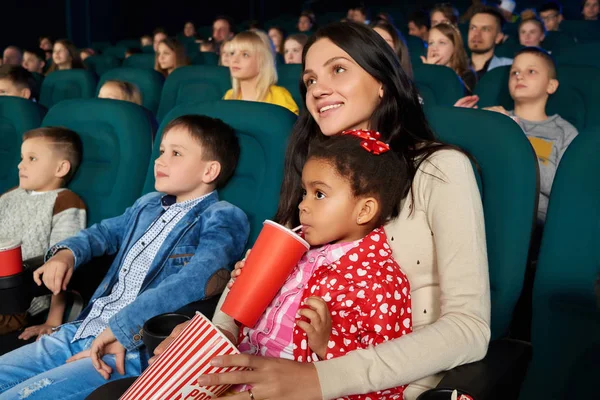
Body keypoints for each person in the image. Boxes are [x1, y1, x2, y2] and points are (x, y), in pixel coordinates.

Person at [156, 21, 489, 400]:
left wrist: (319, 378)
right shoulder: (312, 169)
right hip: (268, 369)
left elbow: (469, 328)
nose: (318, 89)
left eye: (339, 69)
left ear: (382, 81)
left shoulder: (440, 168)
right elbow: (252, 292)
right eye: (310, 79)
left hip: (380, 387)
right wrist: (212, 345)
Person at [0, 114, 250, 399]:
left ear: (209, 171)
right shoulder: (147, 205)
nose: (160, 160)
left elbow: (198, 279)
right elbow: (103, 233)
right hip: (81, 329)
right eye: (161, 151)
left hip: (129, 350)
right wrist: (66, 253)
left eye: (176, 153)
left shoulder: (222, 216)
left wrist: (123, 329)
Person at [225, 131, 412, 399]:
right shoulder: (298, 251)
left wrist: (327, 343)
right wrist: (246, 282)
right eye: (304, 192)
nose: (302, 205)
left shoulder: (382, 281)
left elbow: (386, 379)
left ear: (364, 210)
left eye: (319, 194)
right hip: (248, 366)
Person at [0, 127, 85, 338]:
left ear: (60, 168)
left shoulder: (64, 201)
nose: (20, 164)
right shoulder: (11, 195)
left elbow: (61, 261)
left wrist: (53, 320)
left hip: (18, 303)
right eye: (22, 158)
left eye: (32, 158)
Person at [483, 47, 578, 222]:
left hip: (533, 219)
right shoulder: (495, 119)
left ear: (551, 85)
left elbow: (559, 187)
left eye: (531, 71)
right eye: (514, 72)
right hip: (487, 207)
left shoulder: (565, 131)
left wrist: (513, 136)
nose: (519, 76)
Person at [224, 31, 298, 114]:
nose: (234, 60)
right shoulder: (229, 96)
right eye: (232, 53)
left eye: (245, 54)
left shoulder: (279, 96)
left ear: (263, 62)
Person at [422, 23, 477, 94]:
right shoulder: (422, 74)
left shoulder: (467, 75)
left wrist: (431, 73)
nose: (434, 48)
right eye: (431, 43)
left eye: (442, 43)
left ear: (455, 47)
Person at [468, 6, 513, 81]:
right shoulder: (453, 69)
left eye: (485, 29)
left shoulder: (510, 68)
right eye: (473, 28)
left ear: (498, 37)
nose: (476, 34)